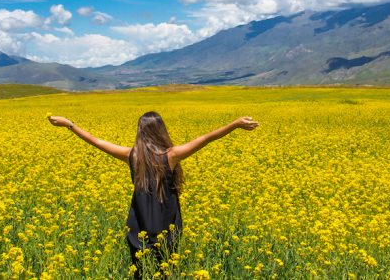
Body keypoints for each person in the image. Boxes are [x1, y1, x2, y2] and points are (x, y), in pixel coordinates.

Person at [47, 111, 259, 276]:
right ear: (160, 131)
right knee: (166, 273)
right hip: (167, 229)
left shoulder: (132, 156)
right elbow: (206, 138)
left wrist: (70, 125)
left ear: (140, 132)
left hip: (137, 229)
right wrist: (234, 125)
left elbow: (98, 142)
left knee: (140, 273)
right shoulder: (171, 156)